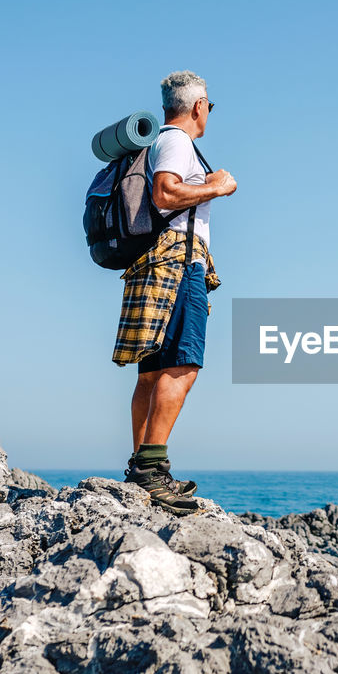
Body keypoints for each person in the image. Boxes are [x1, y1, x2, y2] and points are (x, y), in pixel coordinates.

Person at [112, 70, 237, 514]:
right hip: (178, 263)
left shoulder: (159, 142)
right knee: (183, 363)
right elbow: (166, 194)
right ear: (199, 106)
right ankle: (151, 466)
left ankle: (144, 468)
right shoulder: (178, 142)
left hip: (155, 262)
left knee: (153, 371)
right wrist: (216, 186)